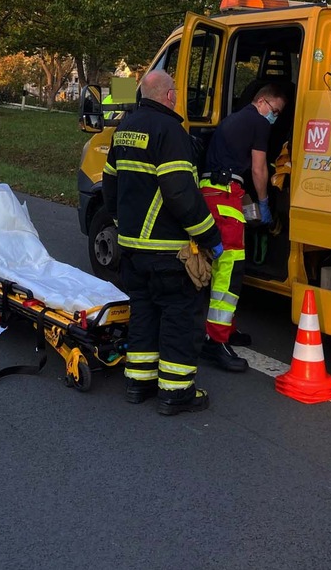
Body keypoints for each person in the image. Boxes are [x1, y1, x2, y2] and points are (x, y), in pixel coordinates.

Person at [103, 69, 223, 415]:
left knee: (143, 312)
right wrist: (210, 237)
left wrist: (119, 223)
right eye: (175, 93)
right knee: (179, 316)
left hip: (132, 247)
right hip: (167, 249)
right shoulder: (170, 131)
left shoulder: (124, 129)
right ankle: (175, 392)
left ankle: (138, 382)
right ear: (169, 96)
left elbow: (110, 183)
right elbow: (181, 193)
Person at [198, 82, 289, 372]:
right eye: (275, 111)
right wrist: (264, 203)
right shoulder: (258, 123)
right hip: (225, 196)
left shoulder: (234, 120)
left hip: (212, 192)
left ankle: (227, 329)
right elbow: (259, 168)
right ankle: (215, 342)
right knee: (229, 270)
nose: (274, 117)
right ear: (262, 102)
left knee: (224, 268)